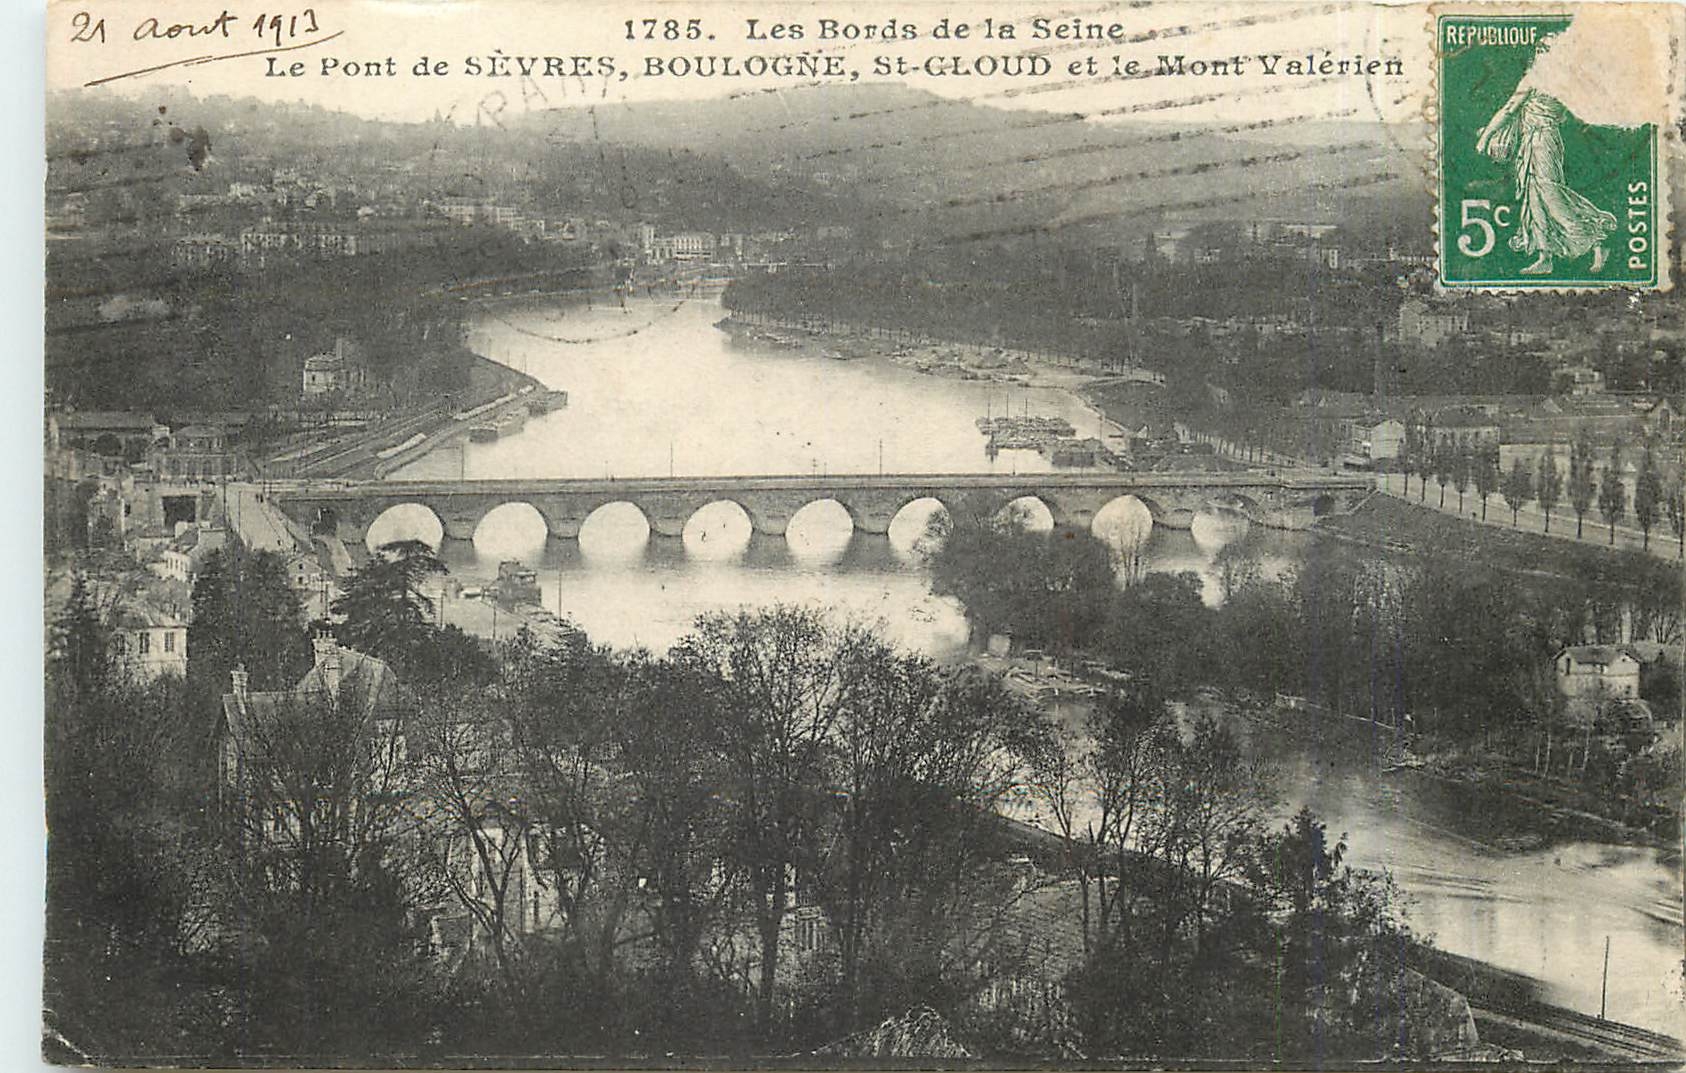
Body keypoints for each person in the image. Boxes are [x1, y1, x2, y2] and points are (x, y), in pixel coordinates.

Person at [1476, 72, 1615, 275]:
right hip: (1536, 141)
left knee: (1551, 197)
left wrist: (1485, 138)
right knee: (1534, 199)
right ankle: (1544, 257)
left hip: (1542, 142)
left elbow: (1508, 110)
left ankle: (1597, 240)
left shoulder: (1536, 80)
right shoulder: (1565, 82)